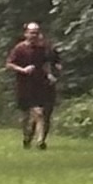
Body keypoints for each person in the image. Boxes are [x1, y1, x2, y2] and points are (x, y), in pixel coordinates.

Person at [5, 19, 60, 147]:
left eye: (36, 32)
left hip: (39, 84)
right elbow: (9, 64)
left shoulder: (42, 49)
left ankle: (40, 141)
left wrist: (50, 74)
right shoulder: (19, 48)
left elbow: (47, 63)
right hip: (24, 85)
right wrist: (23, 70)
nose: (34, 35)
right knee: (26, 115)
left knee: (39, 112)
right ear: (26, 34)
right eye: (31, 32)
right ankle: (27, 135)